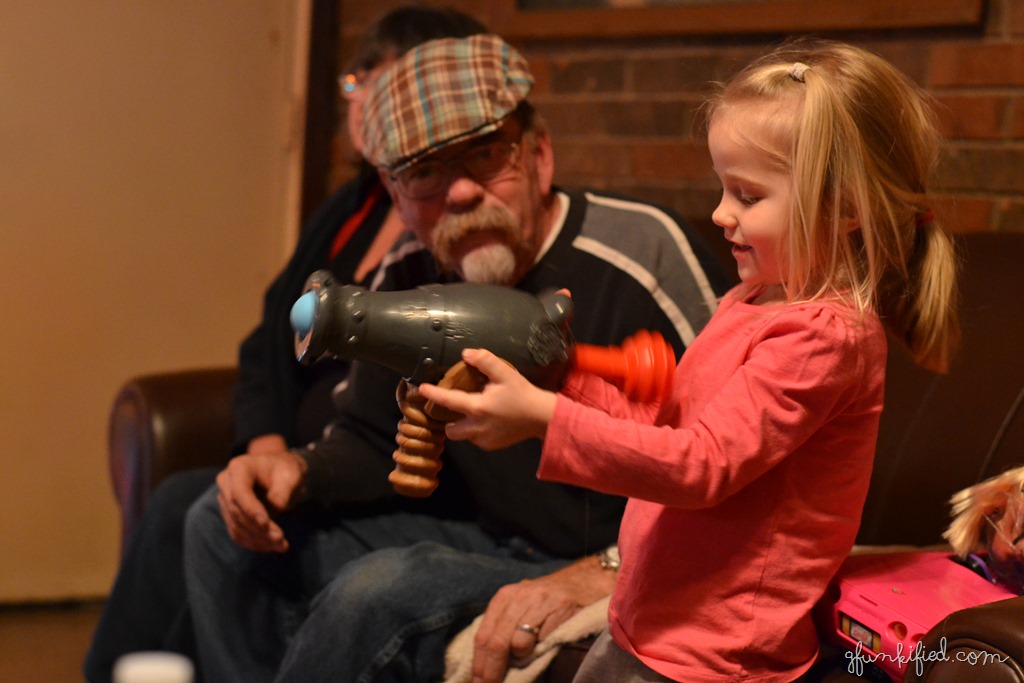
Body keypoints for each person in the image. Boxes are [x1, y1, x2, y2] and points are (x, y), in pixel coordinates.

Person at [183, 33, 732, 683]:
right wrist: (295, 468)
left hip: (613, 552)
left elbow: (735, 458)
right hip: (487, 539)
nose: (463, 192)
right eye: (425, 173)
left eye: (487, 155)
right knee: (214, 523)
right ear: (395, 196)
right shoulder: (407, 273)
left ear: (539, 155)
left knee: (376, 589)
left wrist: (606, 567)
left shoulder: (646, 252)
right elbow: (373, 439)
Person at [419, 39, 959, 682]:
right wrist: (562, 382)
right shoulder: (752, 300)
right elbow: (664, 427)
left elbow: (700, 466)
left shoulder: (824, 338)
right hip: (655, 619)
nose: (720, 213)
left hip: (716, 655)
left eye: (748, 196)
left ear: (843, 208)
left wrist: (543, 418)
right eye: (723, 188)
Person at [82, 7, 488, 683]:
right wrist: (265, 440)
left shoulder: (453, 225)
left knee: (195, 511)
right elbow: (268, 337)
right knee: (191, 507)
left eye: (380, 86)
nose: (360, 106)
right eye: (355, 85)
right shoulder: (356, 203)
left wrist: (303, 464)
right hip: (305, 458)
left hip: (379, 473)